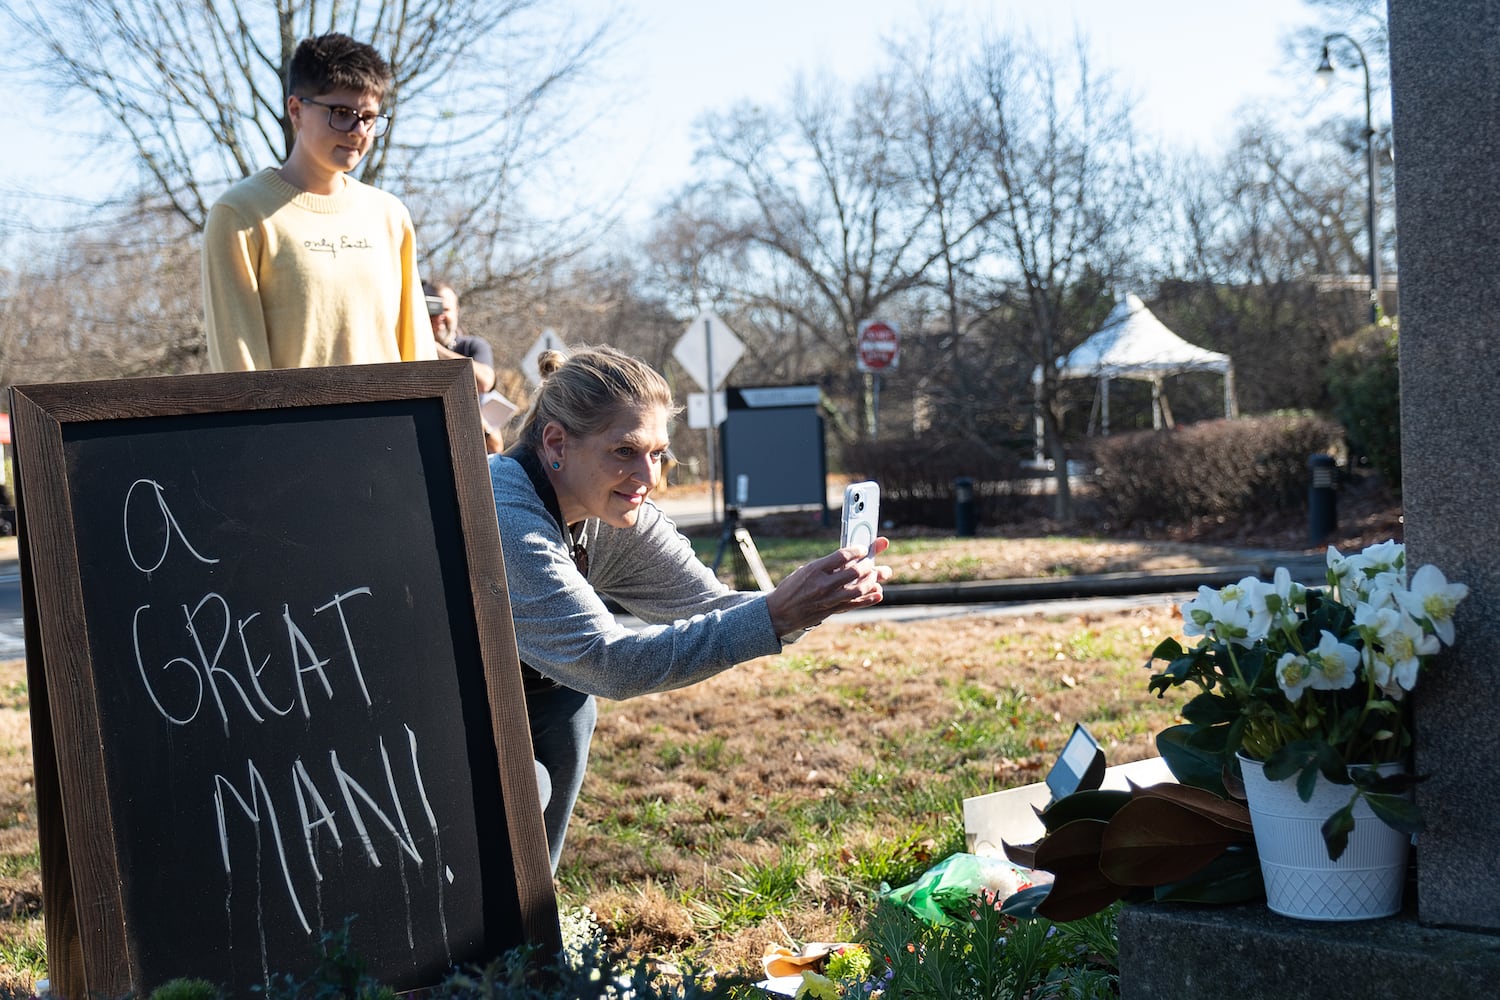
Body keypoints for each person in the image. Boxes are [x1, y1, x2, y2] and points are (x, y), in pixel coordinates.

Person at [490, 345, 892, 872]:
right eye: (625, 451)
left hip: (543, 688)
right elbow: (606, 662)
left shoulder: (611, 506)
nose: (648, 476)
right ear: (556, 443)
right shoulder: (505, 513)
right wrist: (775, 615)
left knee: (532, 868)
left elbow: (709, 606)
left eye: (657, 453)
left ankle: (530, 940)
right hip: (430, 691)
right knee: (516, 811)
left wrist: (807, 600)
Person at [202, 32, 436, 371]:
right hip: (290, 426)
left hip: (391, 425)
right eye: (341, 112)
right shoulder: (239, 215)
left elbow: (419, 359)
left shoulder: (390, 216)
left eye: (369, 117)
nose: (358, 130)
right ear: (296, 110)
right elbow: (240, 373)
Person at [423, 278, 517, 452]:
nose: (438, 317)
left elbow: (484, 382)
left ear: (457, 311)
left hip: (468, 444)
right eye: (431, 309)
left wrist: (434, 348)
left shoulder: (472, 346)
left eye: (445, 309)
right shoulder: (409, 349)